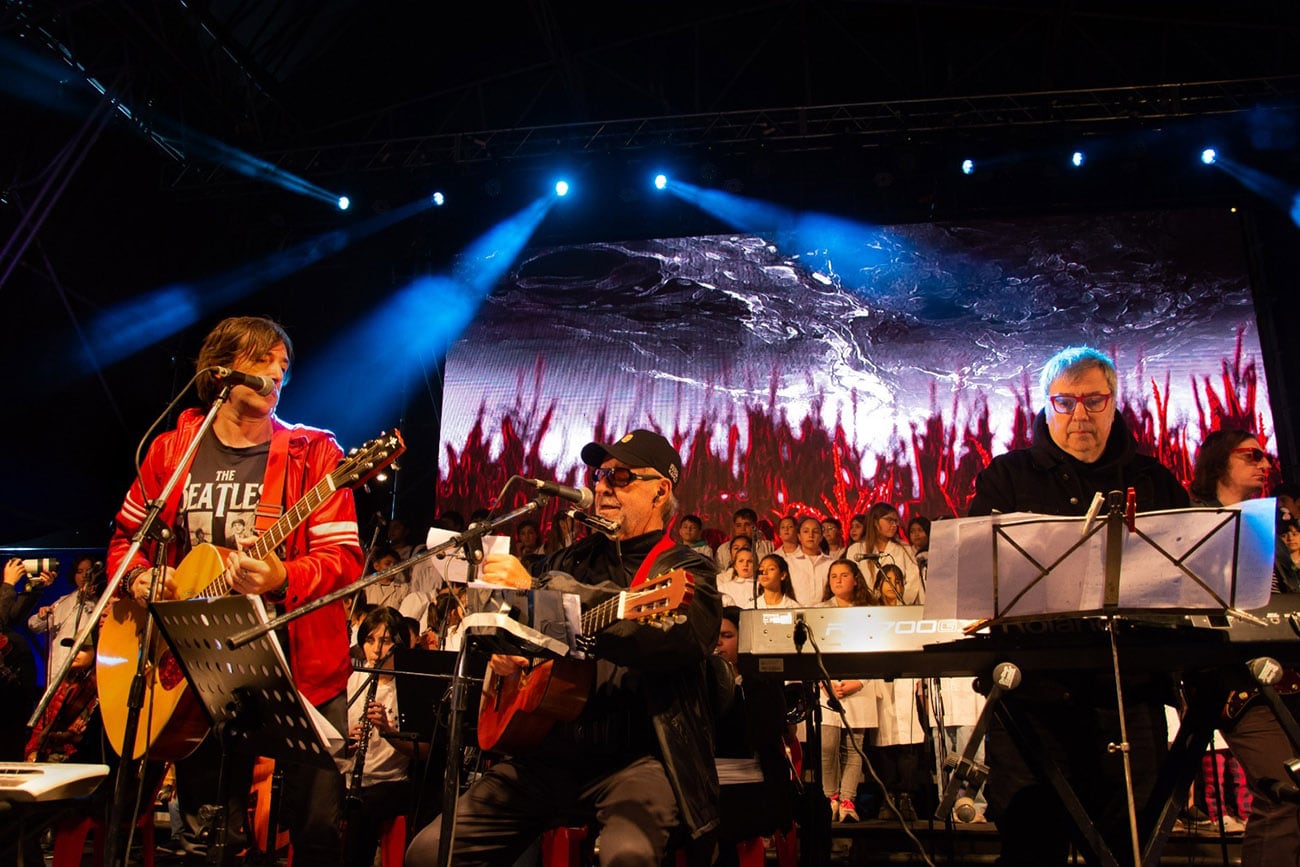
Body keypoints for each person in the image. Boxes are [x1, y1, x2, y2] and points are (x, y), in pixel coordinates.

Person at [109, 315, 363, 863]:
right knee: (208, 832)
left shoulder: (313, 454)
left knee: (314, 828)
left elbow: (344, 561)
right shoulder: (170, 453)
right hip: (198, 672)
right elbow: (126, 541)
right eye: (263, 361)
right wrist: (139, 577)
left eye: (283, 365)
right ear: (222, 370)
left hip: (299, 671)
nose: (277, 374)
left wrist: (283, 577)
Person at [405, 428, 721, 867]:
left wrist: (540, 594)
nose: (602, 486)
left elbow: (674, 640)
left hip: (638, 758)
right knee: (426, 853)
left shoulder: (688, 569)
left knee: (626, 856)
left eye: (621, 476)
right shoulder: (566, 560)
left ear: (660, 491)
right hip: (547, 751)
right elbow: (494, 629)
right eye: (599, 474)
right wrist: (504, 655)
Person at [967, 345, 1189, 866]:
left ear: (1115, 404)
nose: (1080, 415)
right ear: (1045, 407)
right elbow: (978, 577)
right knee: (1030, 845)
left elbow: (1186, 582)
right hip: (1031, 694)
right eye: (1064, 402)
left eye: (1094, 400)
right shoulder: (1005, 477)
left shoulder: (1154, 480)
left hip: (1127, 694)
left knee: (1130, 847)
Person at [1188, 428, 1296, 865]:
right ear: (1218, 463)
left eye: (1266, 456)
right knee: (1284, 791)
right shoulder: (1193, 524)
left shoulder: (1264, 523)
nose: (1265, 464)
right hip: (1233, 680)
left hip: (1285, 672)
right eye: (1251, 455)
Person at [344, 607, 420, 867]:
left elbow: (422, 749)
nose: (376, 650)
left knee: (362, 809)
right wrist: (346, 739)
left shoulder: (408, 687)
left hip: (390, 780)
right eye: (370, 640)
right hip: (351, 774)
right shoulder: (356, 678)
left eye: (385, 641)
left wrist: (388, 732)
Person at [818, 559, 878, 822]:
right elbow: (814, 650)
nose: (838, 580)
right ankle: (829, 797)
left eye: (844, 575)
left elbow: (878, 649)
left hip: (859, 686)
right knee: (827, 745)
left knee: (854, 747)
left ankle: (847, 800)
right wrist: (825, 682)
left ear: (856, 578)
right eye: (833, 576)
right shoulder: (819, 611)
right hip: (827, 686)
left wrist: (860, 681)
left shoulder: (870, 612)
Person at [28, 555, 102, 682]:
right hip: (57, 669)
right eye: (80, 571)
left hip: (83, 674)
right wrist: (42, 615)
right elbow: (33, 625)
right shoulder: (64, 600)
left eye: (88, 571)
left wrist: (87, 600)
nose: (84, 575)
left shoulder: (101, 601)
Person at [845, 503, 925, 605]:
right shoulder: (856, 549)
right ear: (875, 522)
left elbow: (913, 580)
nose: (894, 525)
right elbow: (851, 581)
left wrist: (899, 603)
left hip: (897, 608)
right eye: (889, 520)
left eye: (896, 521)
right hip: (864, 608)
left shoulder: (904, 549)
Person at [787, 517, 832, 605]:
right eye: (806, 531)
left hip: (825, 612)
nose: (810, 535)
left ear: (821, 537)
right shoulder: (788, 562)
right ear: (799, 536)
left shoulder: (831, 563)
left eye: (815, 531)